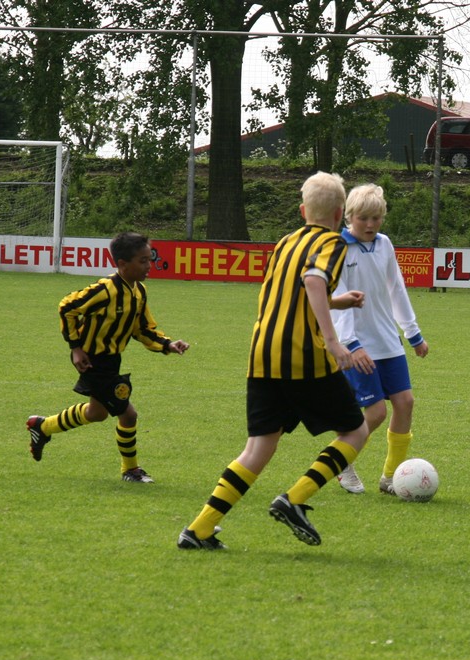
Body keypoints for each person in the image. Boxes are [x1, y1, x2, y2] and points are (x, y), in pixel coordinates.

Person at [178, 171, 368, 550]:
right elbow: (313, 280)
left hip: (263, 353)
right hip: (303, 355)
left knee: (258, 448)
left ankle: (199, 530)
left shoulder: (285, 242)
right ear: (339, 214)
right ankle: (294, 499)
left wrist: (336, 302)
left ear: (302, 211)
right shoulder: (333, 242)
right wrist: (333, 342)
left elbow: (291, 291)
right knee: (355, 431)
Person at [26, 232, 190, 483]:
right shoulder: (104, 291)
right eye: (143, 261)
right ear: (123, 264)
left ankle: (43, 426)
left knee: (97, 413)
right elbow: (67, 307)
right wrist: (76, 347)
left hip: (112, 360)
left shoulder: (139, 291)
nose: (149, 265)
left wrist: (168, 344)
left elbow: (142, 329)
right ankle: (130, 470)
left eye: (150, 259)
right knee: (129, 415)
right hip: (92, 360)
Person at [331, 184, 429, 495]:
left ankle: (391, 478)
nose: (370, 224)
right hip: (357, 346)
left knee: (405, 403)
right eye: (363, 218)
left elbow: (396, 288)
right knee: (375, 413)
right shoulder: (338, 248)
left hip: (388, 342)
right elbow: (335, 300)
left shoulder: (384, 244)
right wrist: (351, 344)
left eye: (376, 218)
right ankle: (340, 462)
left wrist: (413, 334)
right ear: (349, 217)